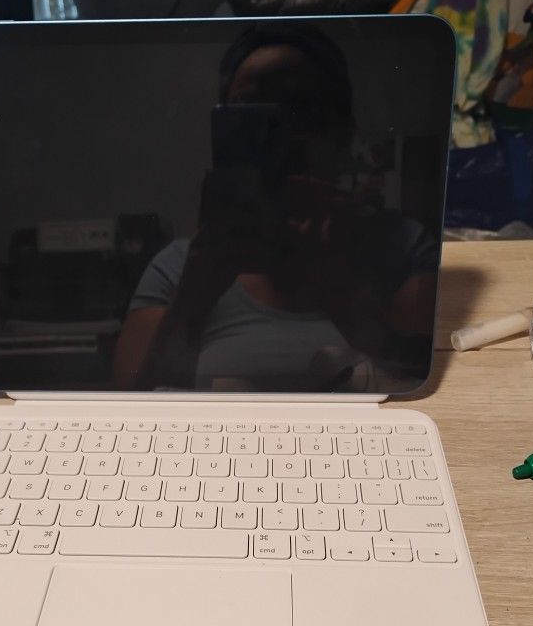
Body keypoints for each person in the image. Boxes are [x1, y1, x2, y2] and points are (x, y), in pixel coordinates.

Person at [112, 26, 437, 392]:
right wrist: (195, 291)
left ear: (345, 131)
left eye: (303, 111)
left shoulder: (402, 249)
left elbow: (425, 388)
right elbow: (131, 406)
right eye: (252, 114)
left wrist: (338, 286)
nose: (282, 138)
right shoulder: (178, 267)